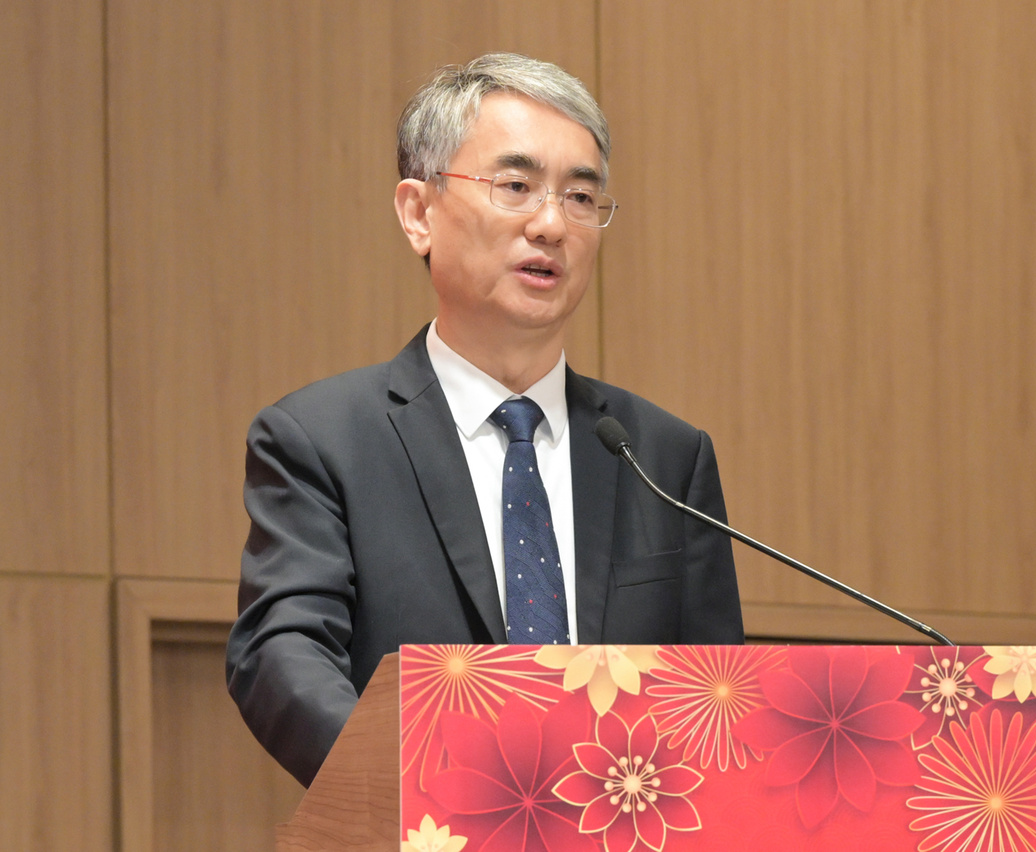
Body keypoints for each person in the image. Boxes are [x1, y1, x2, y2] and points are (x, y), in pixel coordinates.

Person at [225, 53, 743, 788]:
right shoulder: (323, 442)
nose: (551, 224)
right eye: (516, 186)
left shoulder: (662, 458)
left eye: (580, 196)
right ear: (418, 213)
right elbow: (282, 656)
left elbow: (713, 701)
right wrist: (427, 795)